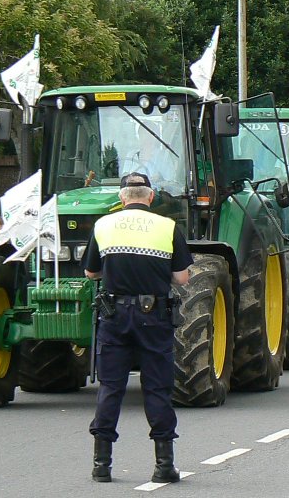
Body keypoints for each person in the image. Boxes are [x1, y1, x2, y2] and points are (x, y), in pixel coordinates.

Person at [81, 173, 193, 483]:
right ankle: (163, 465)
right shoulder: (167, 227)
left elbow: (91, 272)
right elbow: (182, 278)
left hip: (114, 316)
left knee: (111, 387)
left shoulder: (103, 226)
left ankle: (101, 465)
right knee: (157, 387)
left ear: (121, 197)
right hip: (154, 317)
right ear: (151, 196)